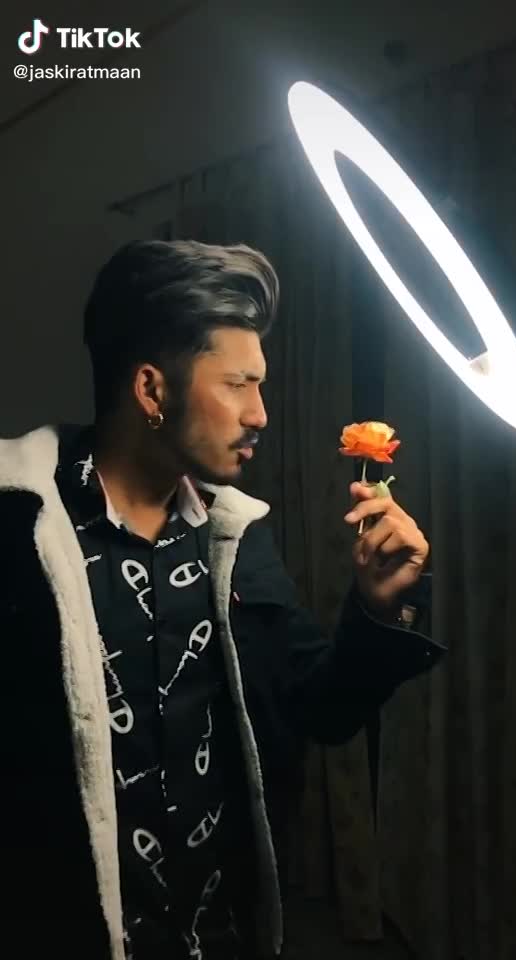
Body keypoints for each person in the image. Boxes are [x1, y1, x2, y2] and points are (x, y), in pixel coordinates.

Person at [0, 240, 443, 960]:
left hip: (221, 937)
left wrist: (378, 610)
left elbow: (320, 709)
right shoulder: (16, 527)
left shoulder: (233, 534)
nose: (260, 414)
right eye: (239, 385)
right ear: (152, 391)